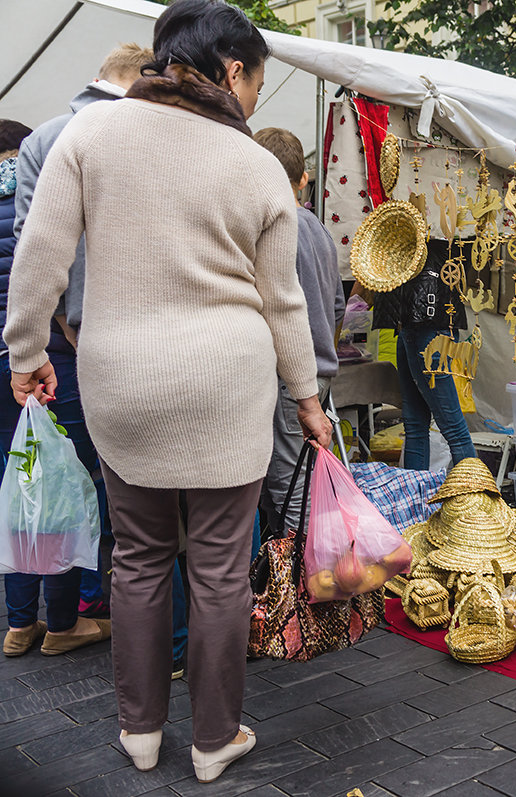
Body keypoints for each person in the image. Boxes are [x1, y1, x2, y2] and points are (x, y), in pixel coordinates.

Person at [4, 0, 331, 783]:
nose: (255, 99)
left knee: (140, 557)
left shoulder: (90, 133)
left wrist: (24, 353)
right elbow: (282, 298)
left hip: (123, 380)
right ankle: (215, 738)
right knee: (219, 567)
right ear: (230, 70)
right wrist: (308, 396)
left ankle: (140, 729)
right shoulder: (255, 162)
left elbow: (39, 252)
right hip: (230, 381)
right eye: (256, 80)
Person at [13, 43, 153, 625]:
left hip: (66, 337)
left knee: (55, 474)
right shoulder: (149, 129)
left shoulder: (41, 139)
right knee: (124, 480)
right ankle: (109, 601)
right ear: (144, 78)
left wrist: (37, 342)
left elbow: (31, 242)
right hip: (140, 333)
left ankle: (42, 617)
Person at [2, 117, 114, 659]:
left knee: (25, 488)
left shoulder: (32, 188)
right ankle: (71, 617)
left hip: (16, 363)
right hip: (51, 360)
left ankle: (21, 622)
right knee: (69, 486)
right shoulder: (56, 199)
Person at [252, 126, 344, 531]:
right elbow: (339, 306)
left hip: (290, 380)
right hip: (318, 376)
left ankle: (305, 587)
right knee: (301, 484)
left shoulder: (272, 226)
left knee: (291, 490)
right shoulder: (319, 228)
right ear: (303, 178)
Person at [361, 238, 477, 470]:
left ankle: (475, 498)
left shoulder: (437, 228)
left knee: (452, 428)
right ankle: (416, 495)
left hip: (426, 325)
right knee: (415, 425)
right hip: (409, 326)